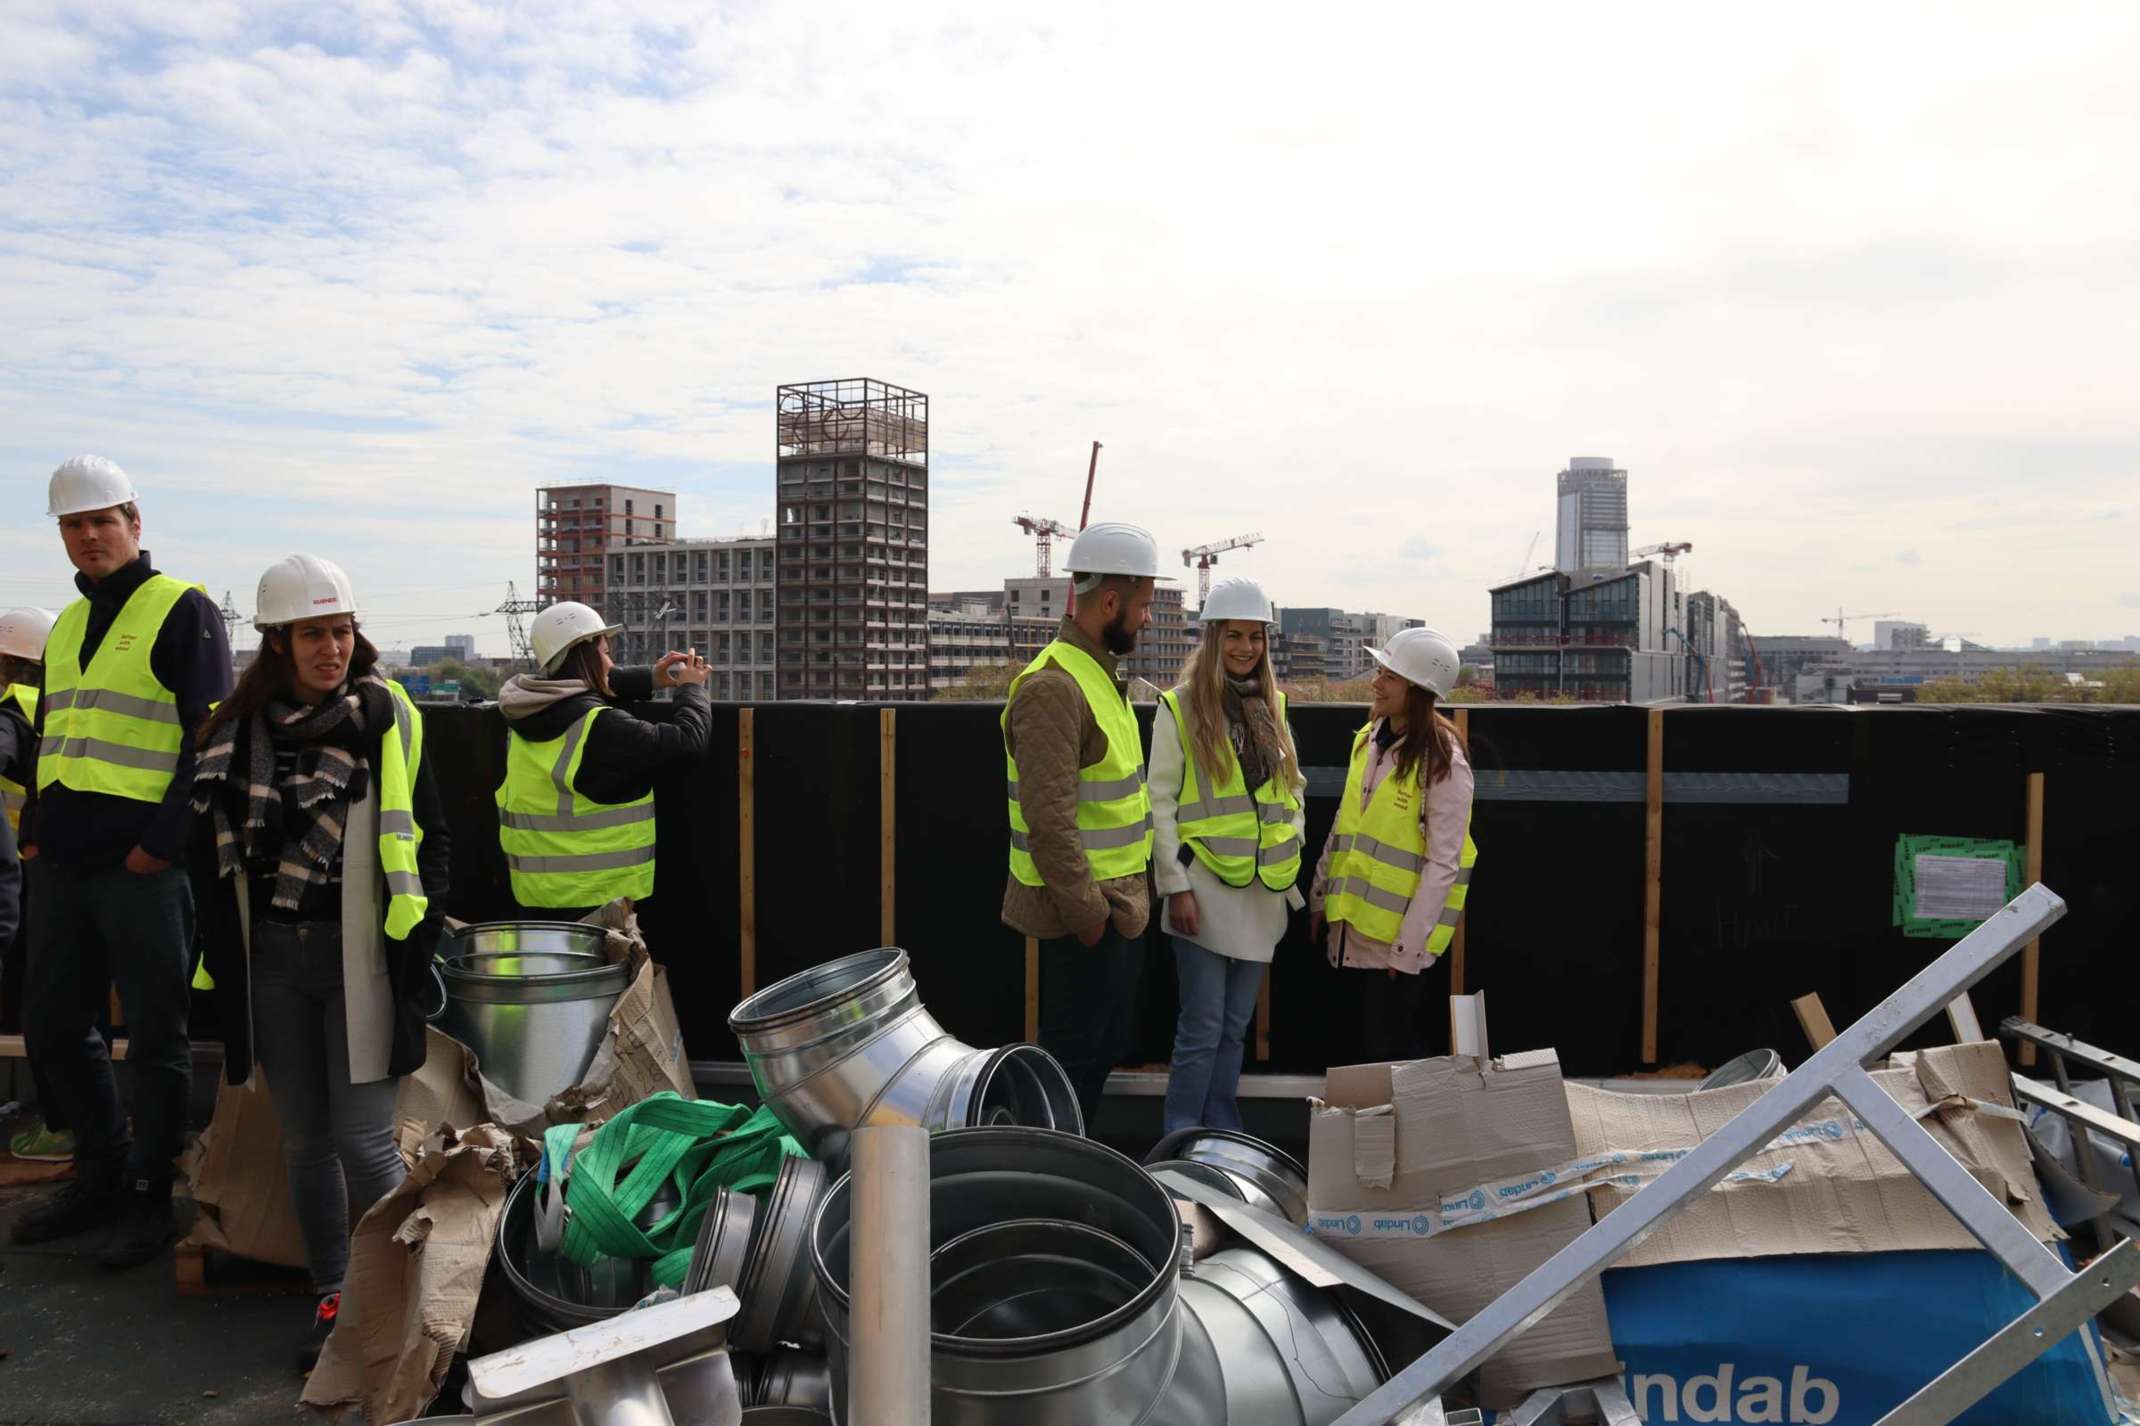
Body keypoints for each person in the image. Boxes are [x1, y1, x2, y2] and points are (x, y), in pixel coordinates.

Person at [190, 555, 452, 1369]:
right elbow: (211, 855)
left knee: (365, 1142)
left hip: (360, 959)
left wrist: (416, 942)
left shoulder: (386, 715)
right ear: (278, 642)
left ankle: (391, 1302)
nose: (331, 648)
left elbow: (433, 836)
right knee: (304, 1143)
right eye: (312, 634)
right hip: (272, 957)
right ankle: (335, 1295)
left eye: (340, 631)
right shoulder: (233, 730)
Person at [11, 456, 232, 1267]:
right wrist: (36, 829)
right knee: (53, 1023)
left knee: (155, 1036)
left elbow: (209, 739)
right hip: (63, 863)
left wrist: (160, 845)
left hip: (141, 869)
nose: (88, 536)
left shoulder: (182, 608)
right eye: (74, 525)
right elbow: (53, 733)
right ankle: (99, 1173)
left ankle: (149, 1193)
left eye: (102, 521)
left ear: (134, 523)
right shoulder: (68, 624)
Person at [1000, 522, 1162, 1133]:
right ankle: (1049, 1173)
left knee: (1095, 1055)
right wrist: (1090, 918)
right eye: (1143, 605)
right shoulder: (1054, 686)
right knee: (1072, 1063)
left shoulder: (1095, 674)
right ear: (1111, 601)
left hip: (1114, 908)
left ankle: (1065, 1168)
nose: (1147, 618)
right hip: (1085, 916)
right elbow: (1049, 822)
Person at [1150, 578, 1305, 1133]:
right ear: (1214, 638)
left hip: (1263, 891)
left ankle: (1220, 1128)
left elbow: (1293, 788)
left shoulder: (1273, 705)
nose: (1247, 647)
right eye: (1235, 635)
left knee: (1235, 1025)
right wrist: (1175, 886)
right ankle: (1180, 1134)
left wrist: (1291, 844)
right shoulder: (1180, 708)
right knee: (1202, 1026)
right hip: (1205, 891)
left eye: (1256, 636)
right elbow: (1159, 803)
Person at [1308, 627, 1477, 1064]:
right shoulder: (1368, 740)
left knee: (1390, 1053)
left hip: (1393, 950)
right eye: (1380, 671)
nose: (1376, 682)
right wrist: (1320, 897)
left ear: (1418, 690)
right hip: (1347, 931)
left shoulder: (1444, 763)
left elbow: (1444, 864)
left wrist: (1407, 950)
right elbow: (1344, 827)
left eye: (1390, 676)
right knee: (1355, 1054)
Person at [495, 601, 709, 918]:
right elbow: (688, 744)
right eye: (606, 653)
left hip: (537, 896)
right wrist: (692, 689)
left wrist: (651, 678)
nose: (611, 662)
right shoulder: (600, 726)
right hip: (598, 903)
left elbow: (587, 685)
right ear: (586, 655)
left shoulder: (524, 714)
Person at [0, 606, 77, 1163]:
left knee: (42, 1009)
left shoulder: (12, 711)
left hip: (22, 879)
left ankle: (61, 1124)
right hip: (65, 873)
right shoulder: (63, 706)